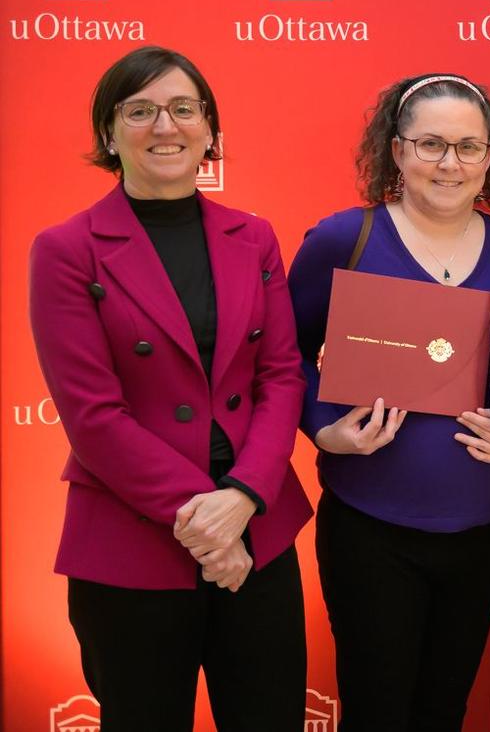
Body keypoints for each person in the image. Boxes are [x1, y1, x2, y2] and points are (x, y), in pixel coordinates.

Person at [28, 46, 311, 731]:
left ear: (209, 129)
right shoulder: (67, 249)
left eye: (184, 109)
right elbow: (93, 418)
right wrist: (210, 526)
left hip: (257, 530)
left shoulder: (255, 237)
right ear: (109, 132)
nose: (166, 126)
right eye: (141, 110)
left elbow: (281, 375)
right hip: (133, 539)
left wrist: (242, 499)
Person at [287, 73, 490, 732]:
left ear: (489, 156)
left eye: (469, 148)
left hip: (480, 525)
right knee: (376, 710)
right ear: (396, 151)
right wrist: (323, 429)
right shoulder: (344, 241)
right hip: (370, 526)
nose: (450, 164)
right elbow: (283, 356)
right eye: (431, 145)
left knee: (444, 710)